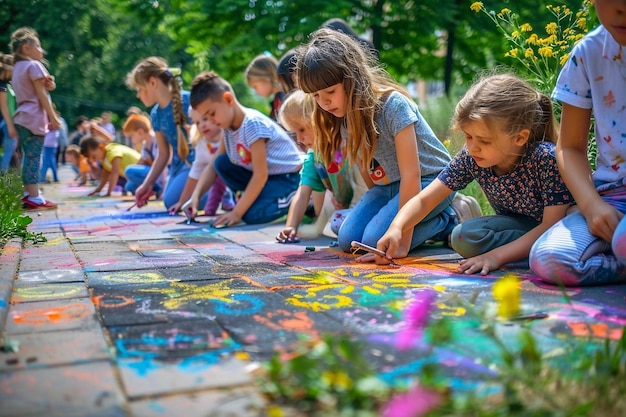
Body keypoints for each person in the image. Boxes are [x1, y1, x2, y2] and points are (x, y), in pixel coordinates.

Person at [378, 73, 572, 274]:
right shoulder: (473, 157)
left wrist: (495, 256)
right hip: (520, 228)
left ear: (520, 137)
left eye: (484, 140)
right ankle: (524, 255)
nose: (472, 147)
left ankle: (527, 255)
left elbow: (551, 224)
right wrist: (397, 227)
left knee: (552, 250)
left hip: (559, 230)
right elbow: (425, 200)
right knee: (463, 237)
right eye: (468, 136)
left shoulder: (546, 158)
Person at [295, 28, 456, 253]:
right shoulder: (344, 116)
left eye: (329, 91)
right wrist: (375, 205)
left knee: (374, 241)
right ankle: (419, 223)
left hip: (432, 183)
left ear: (351, 77)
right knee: (349, 240)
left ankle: (447, 220)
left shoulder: (394, 105)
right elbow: (365, 166)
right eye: (316, 96)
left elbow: (412, 175)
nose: (324, 103)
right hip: (388, 187)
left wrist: (402, 243)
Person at [529, 0, 626, 286]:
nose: (621, 9)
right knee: (549, 259)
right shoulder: (588, 53)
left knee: (622, 242)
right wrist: (591, 204)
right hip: (612, 196)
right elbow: (570, 146)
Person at [188, 71, 303, 227]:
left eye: (212, 114)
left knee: (251, 216)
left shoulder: (251, 124)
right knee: (221, 162)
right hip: (269, 177)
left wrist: (237, 213)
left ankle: (297, 197)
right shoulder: (227, 128)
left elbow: (260, 175)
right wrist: (195, 196)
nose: (212, 121)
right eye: (207, 117)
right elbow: (213, 164)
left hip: (288, 177)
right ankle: (257, 199)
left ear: (228, 99)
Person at [276, 89, 366, 243]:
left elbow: (363, 188)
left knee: (341, 225)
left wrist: (350, 212)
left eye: (302, 129)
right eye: (294, 133)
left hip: (364, 205)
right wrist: (291, 227)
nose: (299, 138)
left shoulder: (348, 144)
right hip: (344, 212)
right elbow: (303, 194)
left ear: (318, 119)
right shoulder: (315, 156)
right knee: (337, 223)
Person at [126, 57, 193, 210]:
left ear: (153, 83)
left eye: (140, 89)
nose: (138, 95)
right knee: (169, 201)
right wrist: (147, 184)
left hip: (198, 164)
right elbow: (163, 154)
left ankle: (219, 191)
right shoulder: (156, 113)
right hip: (178, 167)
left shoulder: (189, 100)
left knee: (172, 201)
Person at [10, 27, 61, 210]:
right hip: (34, 118)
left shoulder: (17, 67)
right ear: (26, 48)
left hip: (22, 116)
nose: (42, 51)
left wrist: (50, 84)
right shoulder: (33, 66)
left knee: (28, 156)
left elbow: (43, 88)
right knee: (34, 158)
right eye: (38, 46)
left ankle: (29, 194)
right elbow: (41, 95)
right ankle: (34, 197)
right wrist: (53, 117)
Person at [169, 110, 234, 216]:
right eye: (197, 122)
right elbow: (196, 172)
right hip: (218, 178)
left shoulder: (228, 135)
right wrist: (182, 201)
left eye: (205, 119)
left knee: (219, 167)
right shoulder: (202, 143)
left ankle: (232, 198)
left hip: (237, 177)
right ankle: (216, 204)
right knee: (215, 175)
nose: (202, 125)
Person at [121, 113, 163, 197]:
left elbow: (163, 164)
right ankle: (153, 189)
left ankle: (161, 188)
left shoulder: (157, 140)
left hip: (162, 174)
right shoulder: (145, 144)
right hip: (154, 173)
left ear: (140, 132)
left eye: (132, 135)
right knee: (129, 186)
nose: (131, 139)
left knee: (129, 171)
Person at [245, 54, 285, 121]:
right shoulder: (277, 100)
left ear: (266, 78)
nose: (256, 92)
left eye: (255, 87)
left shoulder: (283, 100)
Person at [0, 52, 18, 173]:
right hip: (6, 123)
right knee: (8, 151)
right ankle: (2, 175)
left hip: (7, 122)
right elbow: (4, 107)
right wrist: (11, 126)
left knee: (9, 151)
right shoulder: (2, 86)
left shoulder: (6, 85)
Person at [39, 107, 60, 183]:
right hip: (51, 144)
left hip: (49, 144)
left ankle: (42, 178)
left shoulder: (50, 119)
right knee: (51, 162)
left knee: (47, 162)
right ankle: (55, 177)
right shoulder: (50, 119)